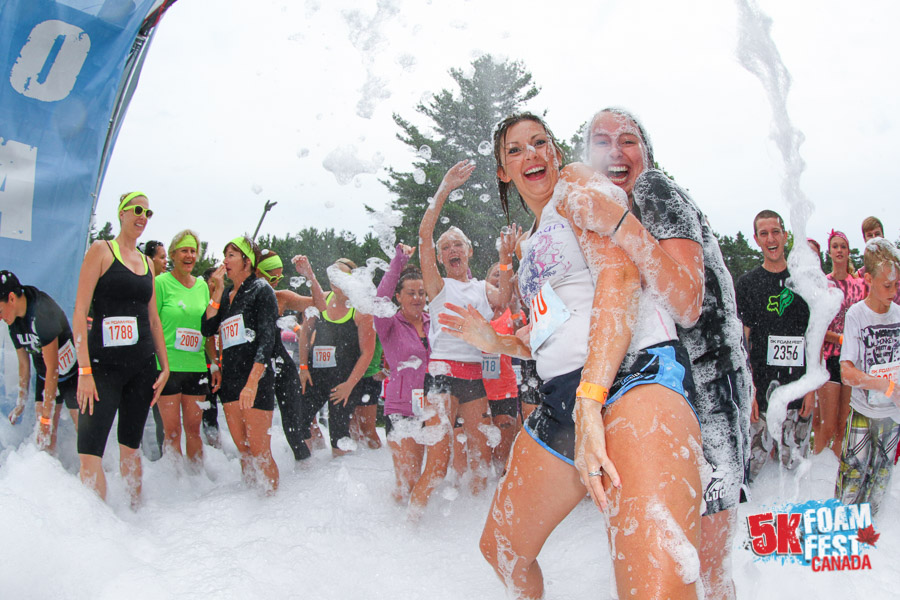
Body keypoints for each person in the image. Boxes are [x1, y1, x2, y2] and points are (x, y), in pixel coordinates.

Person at [440, 113, 703, 600]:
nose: (532, 154)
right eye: (515, 150)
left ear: (557, 152)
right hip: (567, 397)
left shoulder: (578, 185)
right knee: (502, 548)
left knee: (656, 589)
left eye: (540, 142)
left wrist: (590, 400)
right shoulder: (533, 241)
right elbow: (555, 334)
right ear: (503, 171)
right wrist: (497, 341)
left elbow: (620, 277)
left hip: (629, 378)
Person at [575, 107, 752, 599]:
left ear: (647, 154)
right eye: (601, 140)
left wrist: (618, 223)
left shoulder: (653, 191)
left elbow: (689, 303)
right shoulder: (611, 222)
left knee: (708, 569)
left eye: (628, 140)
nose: (615, 151)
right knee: (681, 558)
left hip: (710, 397)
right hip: (674, 393)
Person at [414, 163, 513, 514]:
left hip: (476, 376)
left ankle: (471, 533)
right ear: (440, 258)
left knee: (480, 463)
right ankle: (412, 526)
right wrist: (444, 188)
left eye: (458, 244)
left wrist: (504, 262)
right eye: (446, 247)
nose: (452, 249)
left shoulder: (481, 289)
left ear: (469, 252)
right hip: (442, 375)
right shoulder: (439, 287)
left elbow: (504, 301)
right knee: (438, 465)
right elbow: (424, 235)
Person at [72, 191, 169, 505]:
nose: (143, 216)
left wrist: (164, 367)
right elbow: (79, 313)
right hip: (102, 370)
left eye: (148, 212)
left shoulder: (146, 262)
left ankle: (133, 522)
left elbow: (154, 320)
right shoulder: (101, 250)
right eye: (137, 209)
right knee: (90, 455)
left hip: (142, 369)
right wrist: (84, 371)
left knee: (131, 449)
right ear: (122, 213)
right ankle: (97, 533)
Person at [736, 210, 814, 482]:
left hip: (797, 391)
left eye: (776, 231)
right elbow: (742, 341)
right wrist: (750, 389)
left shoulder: (803, 281)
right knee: (750, 472)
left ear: (784, 235)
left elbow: (813, 336)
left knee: (794, 470)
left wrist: (811, 389)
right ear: (757, 239)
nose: (771, 238)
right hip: (761, 396)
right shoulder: (747, 284)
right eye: (764, 233)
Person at [201, 236, 279, 492]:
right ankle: (250, 505)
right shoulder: (225, 296)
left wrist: (252, 382)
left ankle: (272, 504)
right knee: (244, 451)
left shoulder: (261, 289)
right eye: (225, 255)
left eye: (231, 254)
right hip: (230, 381)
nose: (225, 260)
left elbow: (267, 341)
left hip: (254, 380)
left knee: (260, 451)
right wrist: (216, 290)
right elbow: (207, 327)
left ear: (248, 261)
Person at [835, 238, 900, 519]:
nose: (894, 292)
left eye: (897, 284)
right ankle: (838, 531)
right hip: (863, 411)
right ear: (869, 279)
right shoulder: (857, 315)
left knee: (881, 479)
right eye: (888, 286)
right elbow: (846, 373)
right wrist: (885, 385)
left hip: (893, 417)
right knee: (852, 476)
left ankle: (869, 538)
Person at [295, 258, 376, 457]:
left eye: (341, 276)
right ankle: (305, 475)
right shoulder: (322, 300)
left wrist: (349, 385)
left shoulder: (361, 310)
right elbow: (305, 333)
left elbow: (367, 352)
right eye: (333, 275)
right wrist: (303, 367)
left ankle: (341, 478)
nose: (335, 280)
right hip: (316, 376)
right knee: (298, 424)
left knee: (338, 435)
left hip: (343, 383)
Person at [154, 230, 220, 468]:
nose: (189, 255)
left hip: (196, 367)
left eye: (193, 251)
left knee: (194, 429)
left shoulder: (202, 286)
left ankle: (196, 481)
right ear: (173, 254)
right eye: (184, 250)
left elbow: (208, 329)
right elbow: (152, 324)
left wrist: (213, 363)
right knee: (172, 431)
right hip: (168, 367)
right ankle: (174, 483)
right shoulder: (160, 283)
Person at [256, 250, 325, 461]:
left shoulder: (281, 297)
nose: (275, 282)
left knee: (297, 428)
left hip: (281, 365)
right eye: (271, 277)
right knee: (256, 433)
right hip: (254, 367)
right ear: (256, 271)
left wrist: (310, 276)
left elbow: (320, 304)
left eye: (279, 277)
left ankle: (305, 476)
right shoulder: (239, 297)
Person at [373, 243, 429, 502]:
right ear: (398, 296)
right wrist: (398, 262)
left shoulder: (433, 321)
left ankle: (416, 532)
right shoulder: (389, 324)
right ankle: (397, 532)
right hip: (401, 409)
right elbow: (379, 300)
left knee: (426, 477)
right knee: (408, 479)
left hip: (431, 408)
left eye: (421, 292)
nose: (417, 297)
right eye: (410, 293)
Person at [1, 271, 79, 453]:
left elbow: (53, 367)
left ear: (11, 298)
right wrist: (21, 403)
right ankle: (48, 472)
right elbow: (23, 364)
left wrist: (46, 417)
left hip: (71, 375)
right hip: (45, 376)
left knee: (82, 431)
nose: (0, 318)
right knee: (44, 439)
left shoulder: (41, 310)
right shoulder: (13, 322)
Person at [817, 230, 866, 456]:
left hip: (852, 360)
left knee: (843, 425)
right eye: (835, 247)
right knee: (826, 426)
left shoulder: (859, 285)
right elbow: (817, 326)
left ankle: (836, 474)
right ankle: (815, 475)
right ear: (830, 252)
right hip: (830, 358)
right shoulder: (824, 284)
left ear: (848, 252)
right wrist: (840, 338)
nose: (839, 251)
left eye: (843, 247)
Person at [143, 239, 168, 458]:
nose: (165, 261)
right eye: (161, 257)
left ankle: (165, 457)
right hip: (146, 358)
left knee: (164, 416)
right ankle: (153, 455)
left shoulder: (167, 285)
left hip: (166, 359)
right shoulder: (144, 286)